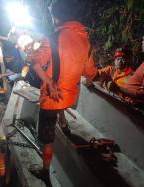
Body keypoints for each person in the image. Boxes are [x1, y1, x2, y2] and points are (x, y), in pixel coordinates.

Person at [27, 0, 98, 185]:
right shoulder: (85, 40)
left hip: (52, 99)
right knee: (62, 99)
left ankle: (44, 171)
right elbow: (90, 73)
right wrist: (89, 81)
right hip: (70, 97)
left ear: (56, 18)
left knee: (47, 138)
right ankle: (64, 123)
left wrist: (49, 80)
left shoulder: (52, 38)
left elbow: (34, 62)